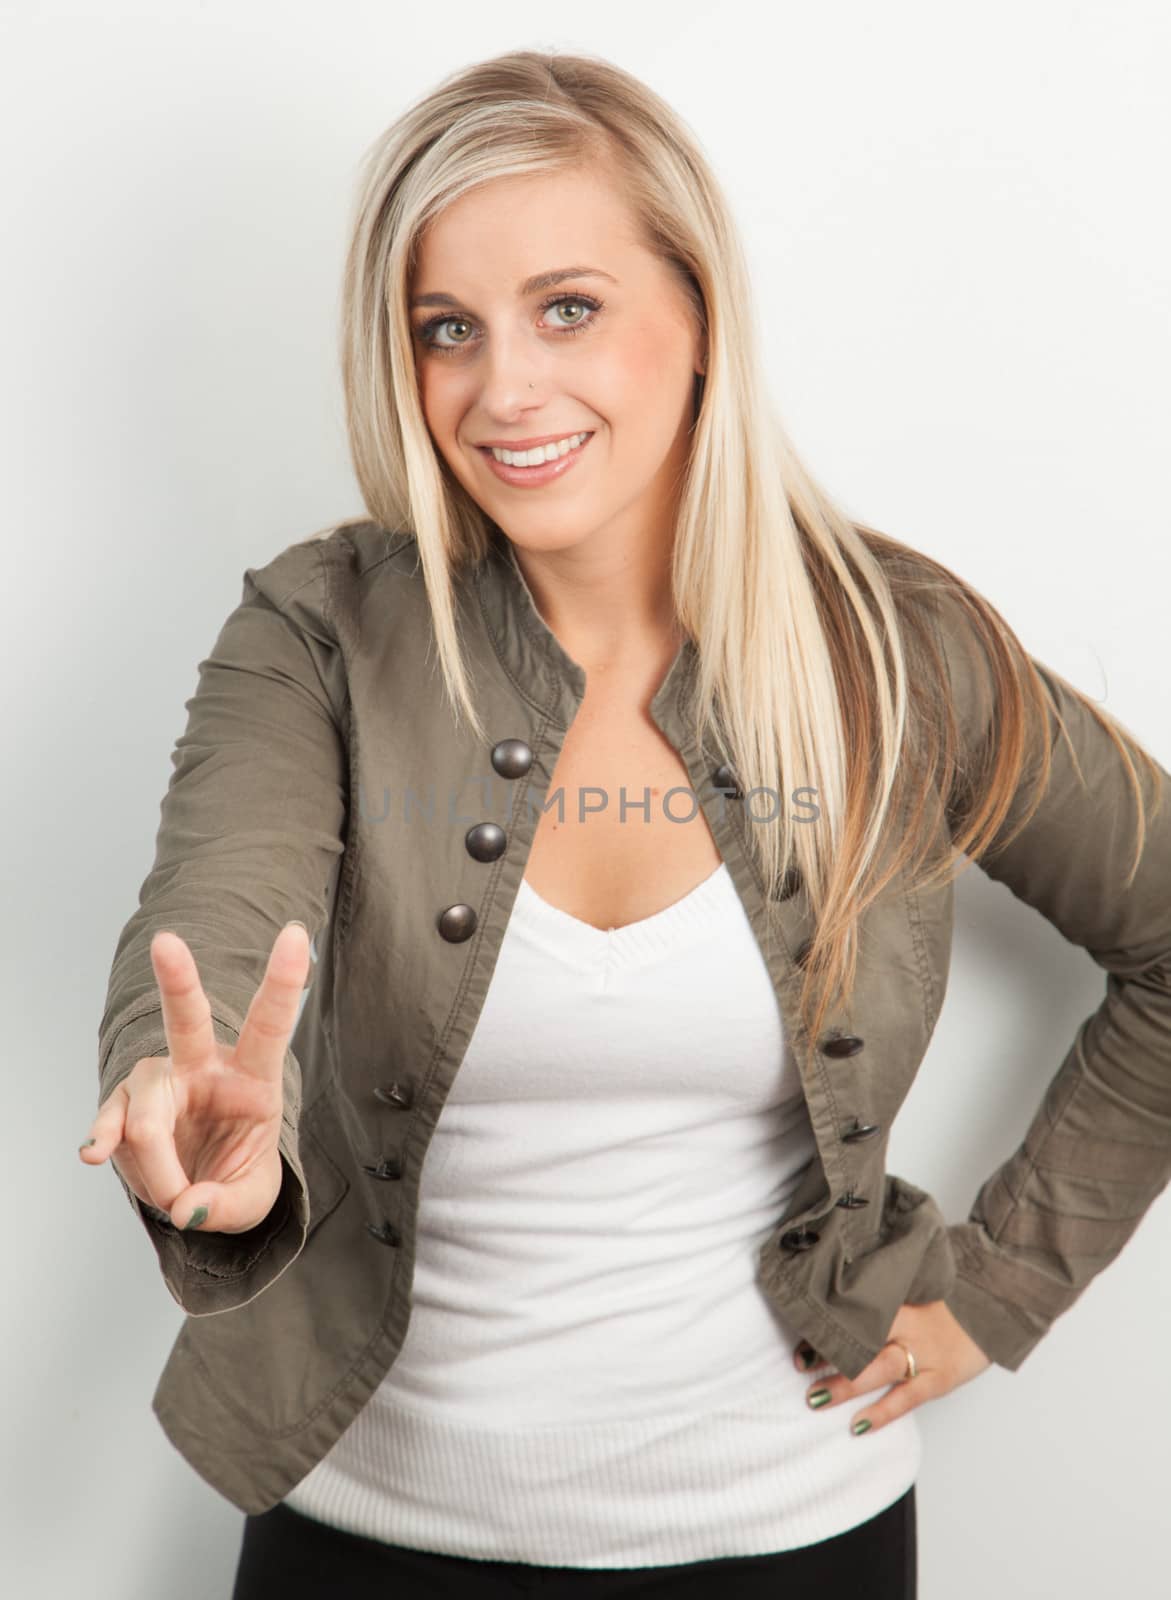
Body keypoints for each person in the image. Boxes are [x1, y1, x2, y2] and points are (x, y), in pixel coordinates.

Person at [81, 48, 1170, 1600]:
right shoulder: (317, 633)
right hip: (363, 1543)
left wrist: (1000, 1291)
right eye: (445, 330)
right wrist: (186, 1111)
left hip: (795, 1540)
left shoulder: (900, 653)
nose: (503, 389)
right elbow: (205, 921)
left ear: (701, 315)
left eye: (568, 307)